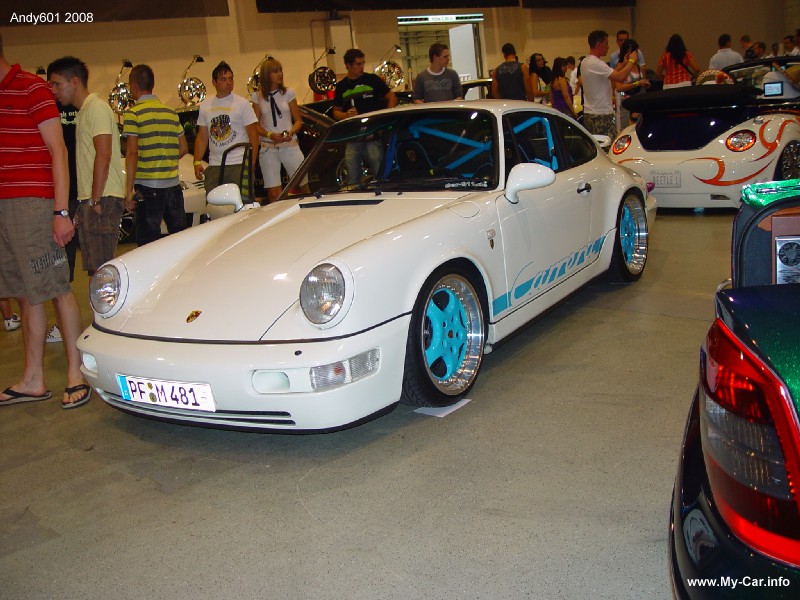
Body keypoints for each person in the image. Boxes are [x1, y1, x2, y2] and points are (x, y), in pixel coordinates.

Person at [0, 35, 90, 409]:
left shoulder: (31, 88)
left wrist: (60, 211)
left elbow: (59, 151)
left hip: (34, 206)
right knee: (25, 291)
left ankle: (76, 373)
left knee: (55, 287)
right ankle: (33, 379)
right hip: (5, 206)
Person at [48, 56, 125, 277]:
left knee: (101, 270)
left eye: (57, 84)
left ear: (74, 82)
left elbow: (104, 153)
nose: (54, 91)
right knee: (95, 268)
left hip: (103, 197)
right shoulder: (83, 111)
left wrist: (95, 199)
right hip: (92, 198)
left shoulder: (97, 108)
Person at [122, 64, 187, 246]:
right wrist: (165, 159)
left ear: (134, 86)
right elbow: (183, 148)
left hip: (148, 187)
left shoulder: (133, 114)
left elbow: (132, 152)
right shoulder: (170, 113)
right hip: (173, 187)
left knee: (148, 244)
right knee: (180, 241)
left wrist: (128, 191)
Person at [193, 61, 259, 198]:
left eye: (230, 79)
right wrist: (197, 161)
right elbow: (202, 137)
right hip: (215, 165)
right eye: (223, 79)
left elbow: (253, 136)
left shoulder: (242, 104)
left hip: (238, 164)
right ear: (214, 82)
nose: (228, 82)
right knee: (215, 203)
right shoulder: (205, 106)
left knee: (242, 203)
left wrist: (251, 164)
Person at [333, 49, 398, 185]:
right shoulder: (341, 87)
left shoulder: (372, 80)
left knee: (380, 173)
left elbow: (391, 97)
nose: (361, 67)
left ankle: (383, 190)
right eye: (358, 64)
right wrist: (345, 115)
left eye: (363, 63)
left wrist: (385, 116)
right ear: (348, 65)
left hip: (372, 135)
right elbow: (336, 111)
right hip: (352, 137)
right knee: (352, 177)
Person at [250, 58, 308, 203]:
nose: (279, 74)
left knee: (303, 185)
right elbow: (255, 126)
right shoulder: (257, 97)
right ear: (266, 74)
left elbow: (298, 120)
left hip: (290, 145)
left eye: (280, 70)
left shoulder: (288, 93)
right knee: (274, 194)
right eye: (275, 71)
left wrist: (291, 132)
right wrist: (269, 135)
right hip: (268, 148)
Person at [581, 30, 639, 139]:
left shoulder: (586, 62)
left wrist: (623, 64)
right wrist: (631, 61)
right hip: (600, 114)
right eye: (606, 43)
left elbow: (611, 74)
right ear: (599, 45)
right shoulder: (596, 63)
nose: (608, 47)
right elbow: (619, 77)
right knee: (607, 145)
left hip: (593, 112)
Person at [613, 39, 650, 130]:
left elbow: (643, 80)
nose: (636, 54)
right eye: (634, 52)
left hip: (639, 102)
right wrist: (637, 83)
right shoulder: (621, 66)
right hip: (626, 102)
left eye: (637, 51)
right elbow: (619, 88)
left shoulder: (638, 66)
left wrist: (645, 84)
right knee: (626, 128)